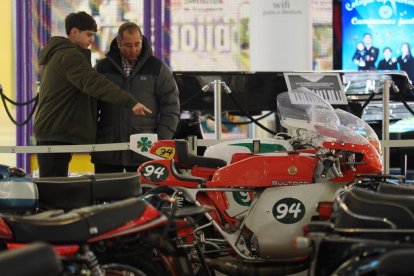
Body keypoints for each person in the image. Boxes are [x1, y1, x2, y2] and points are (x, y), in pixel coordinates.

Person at [34, 12, 151, 177]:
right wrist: (130, 101)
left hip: (54, 129)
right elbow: (94, 83)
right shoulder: (70, 56)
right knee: (54, 187)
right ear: (74, 32)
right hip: (55, 130)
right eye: (88, 34)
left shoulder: (60, 53)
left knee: (54, 184)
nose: (91, 40)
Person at [91, 22, 180, 173]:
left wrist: (161, 140)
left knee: (145, 195)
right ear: (118, 43)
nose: (133, 50)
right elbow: (90, 107)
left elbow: (171, 107)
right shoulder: (102, 68)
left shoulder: (158, 69)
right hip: (107, 149)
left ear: (142, 41)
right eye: (127, 45)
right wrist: (93, 138)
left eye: (137, 44)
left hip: (145, 150)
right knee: (105, 195)